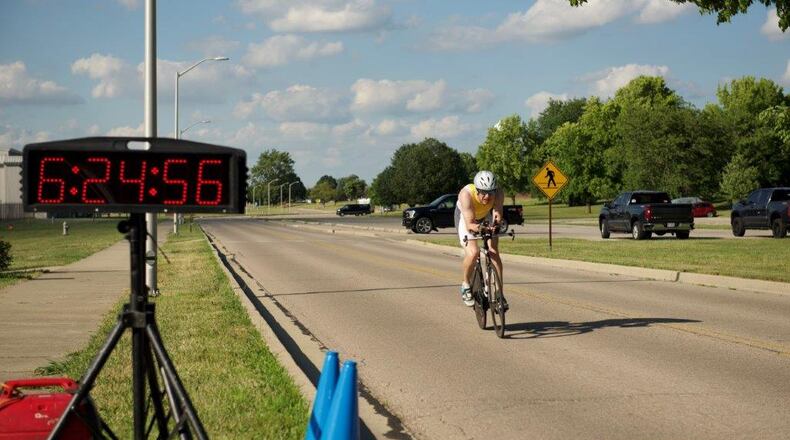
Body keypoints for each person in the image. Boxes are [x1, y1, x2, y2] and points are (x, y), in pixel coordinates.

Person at [455, 170, 505, 307]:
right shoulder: (466, 195)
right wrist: (482, 229)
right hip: (466, 218)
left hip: (485, 216)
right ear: (477, 190)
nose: (487, 196)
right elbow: (470, 224)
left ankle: (500, 293)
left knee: (493, 251)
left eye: (491, 192)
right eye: (483, 192)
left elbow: (497, 213)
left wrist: (495, 225)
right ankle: (465, 284)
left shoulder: (499, 193)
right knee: (473, 252)